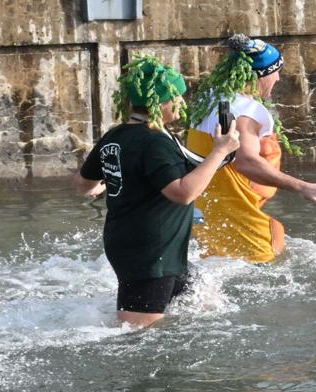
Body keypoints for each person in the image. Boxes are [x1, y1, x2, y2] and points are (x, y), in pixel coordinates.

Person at [72, 56, 240, 328]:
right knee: (138, 337)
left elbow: (83, 184)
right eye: (178, 97)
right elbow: (183, 193)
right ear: (159, 102)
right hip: (150, 253)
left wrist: (107, 182)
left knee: (209, 302)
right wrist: (220, 150)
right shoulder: (155, 143)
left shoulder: (116, 135)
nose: (183, 103)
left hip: (151, 248)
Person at [184, 34, 316, 263]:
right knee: (267, 263)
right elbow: (246, 161)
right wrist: (302, 186)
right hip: (238, 219)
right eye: (275, 71)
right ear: (260, 75)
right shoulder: (246, 112)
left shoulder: (208, 100)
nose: (277, 78)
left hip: (204, 214)